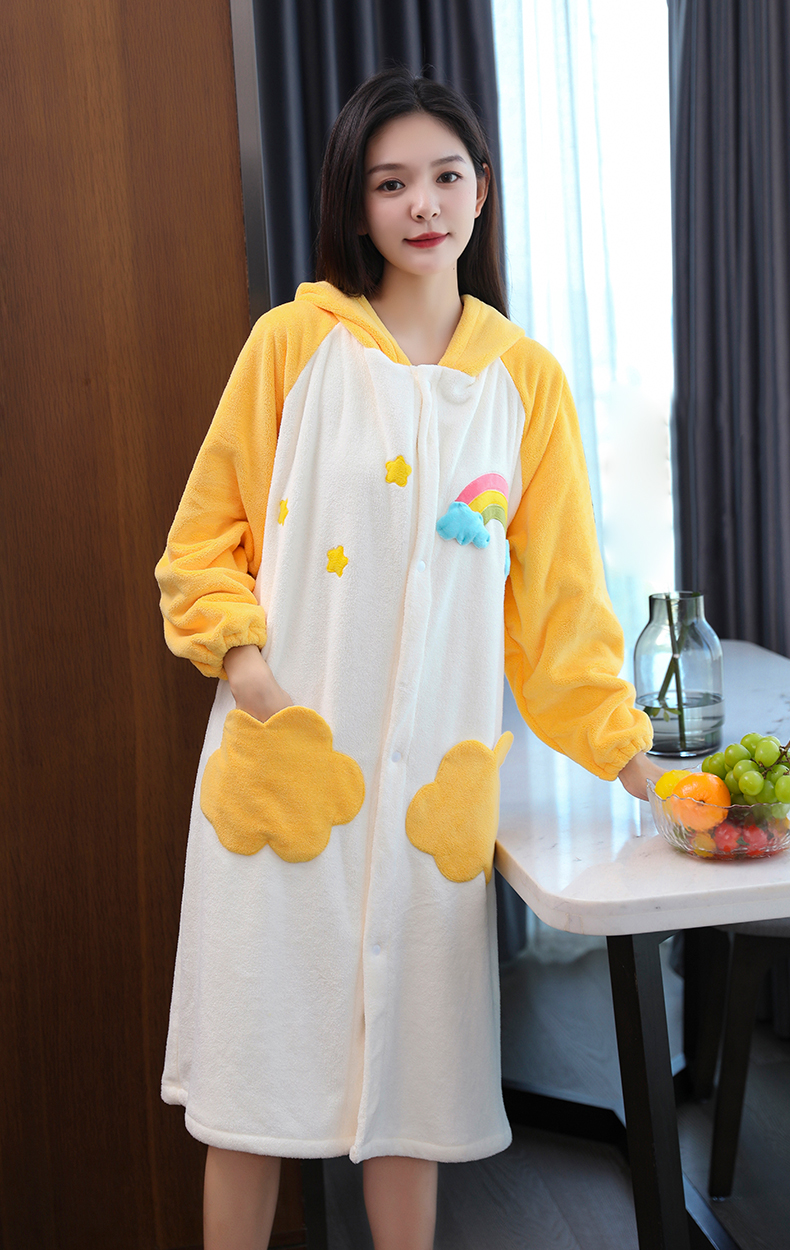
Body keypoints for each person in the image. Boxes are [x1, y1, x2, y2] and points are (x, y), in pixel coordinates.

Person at [155, 66, 660, 1250]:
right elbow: (199, 544)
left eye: (444, 175)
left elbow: (560, 615)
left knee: (411, 1102)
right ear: (356, 201)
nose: (421, 204)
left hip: (433, 792)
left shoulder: (524, 383)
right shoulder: (293, 346)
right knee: (250, 1091)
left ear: (481, 189)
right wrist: (249, 674)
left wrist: (635, 761)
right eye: (390, 183)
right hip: (286, 774)